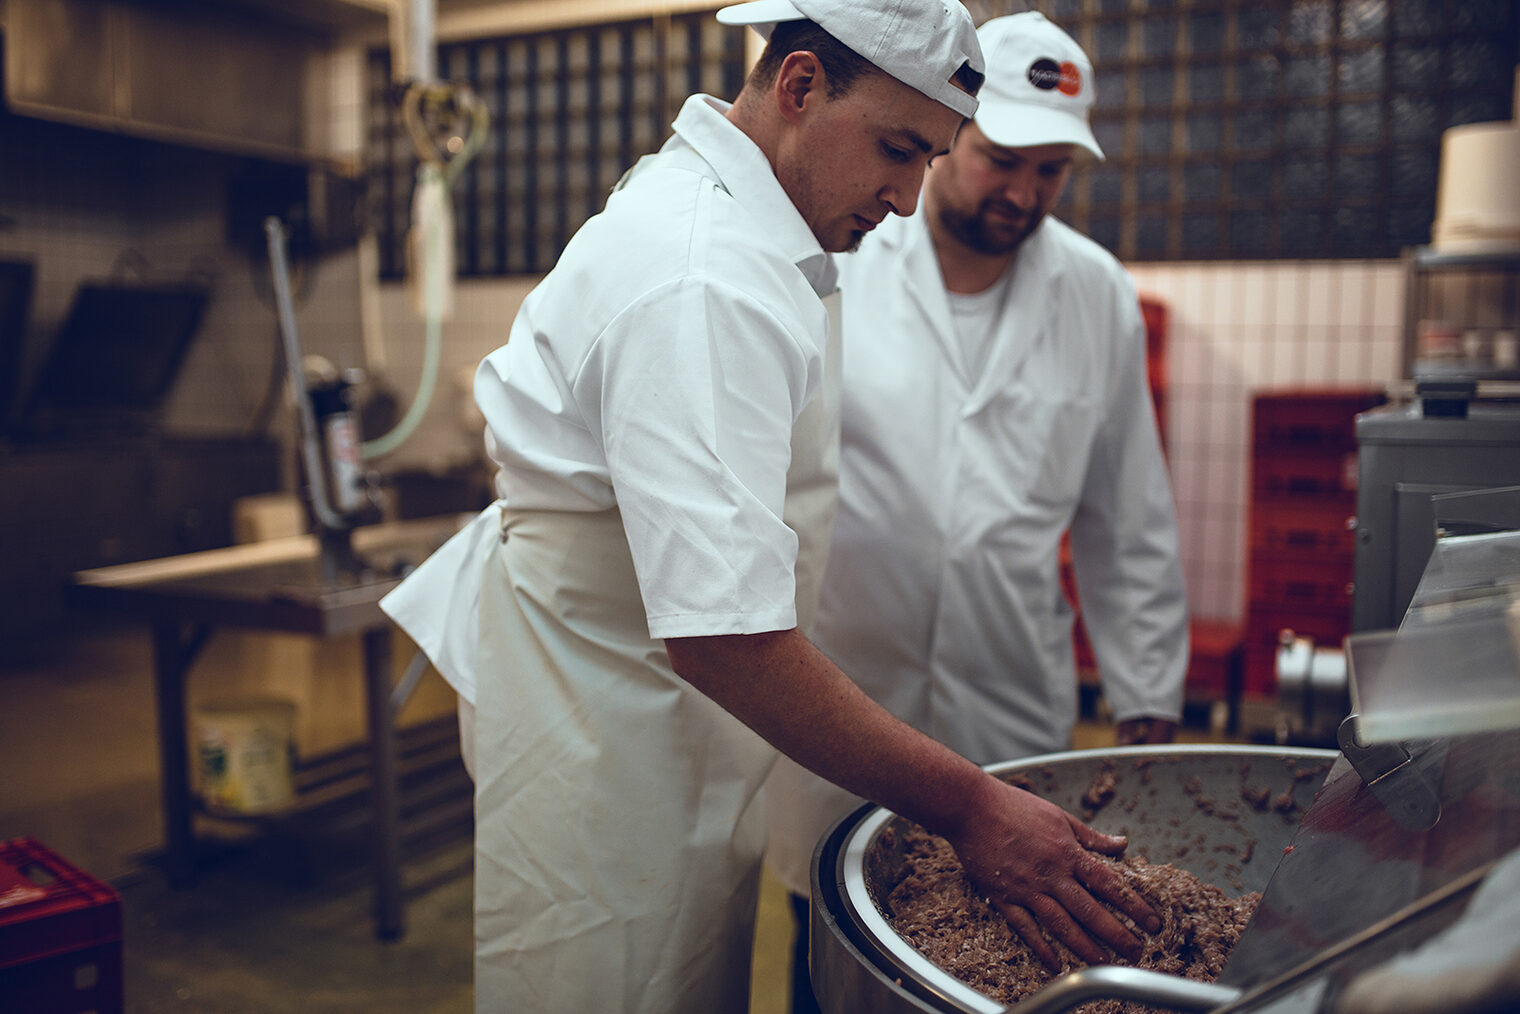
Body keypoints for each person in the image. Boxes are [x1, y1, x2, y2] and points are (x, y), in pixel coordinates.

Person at [382, 2, 1163, 1011]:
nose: (900, 194)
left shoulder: (759, 232)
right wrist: (970, 804)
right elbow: (724, 638)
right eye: (894, 147)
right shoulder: (705, 274)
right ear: (797, 85)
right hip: (612, 729)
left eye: (925, 157)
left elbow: (1123, 514)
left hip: (663, 716)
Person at [763, 11, 1191, 1012]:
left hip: (1006, 700)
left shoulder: (1093, 295)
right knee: (831, 939)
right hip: (841, 696)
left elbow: (1126, 513)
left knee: (1002, 957)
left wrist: (1145, 700)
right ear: (949, 129)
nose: (1022, 193)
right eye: (1002, 159)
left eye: (1051, 171)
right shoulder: (845, 253)